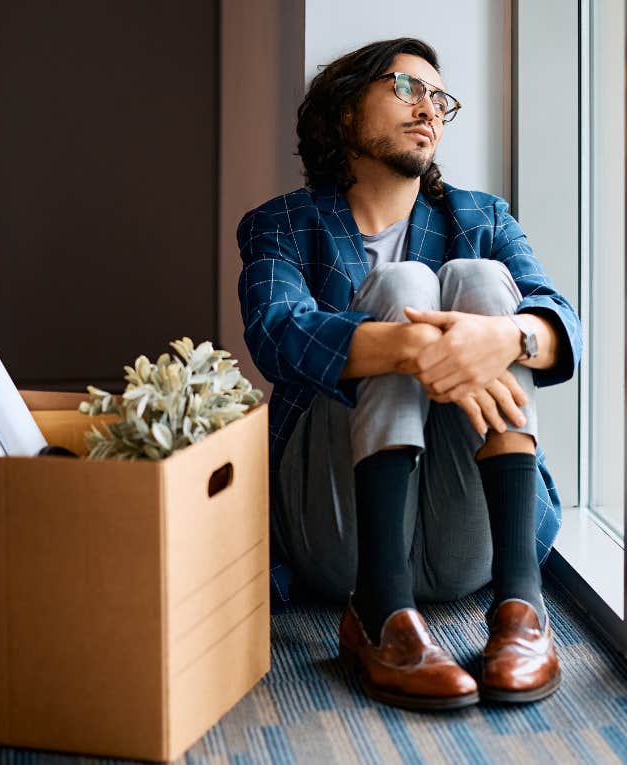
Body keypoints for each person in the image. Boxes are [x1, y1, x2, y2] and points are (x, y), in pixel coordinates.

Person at [236, 38, 582, 711]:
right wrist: (409, 346)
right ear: (343, 112)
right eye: (405, 88)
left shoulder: (481, 216)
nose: (429, 107)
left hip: (467, 539)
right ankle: (379, 612)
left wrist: (499, 336)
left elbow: (558, 321)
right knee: (400, 286)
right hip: (336, 530)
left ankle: (521, 606)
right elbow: (275, 336)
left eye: (439, 98)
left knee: (482, 281)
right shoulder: (283, 223)